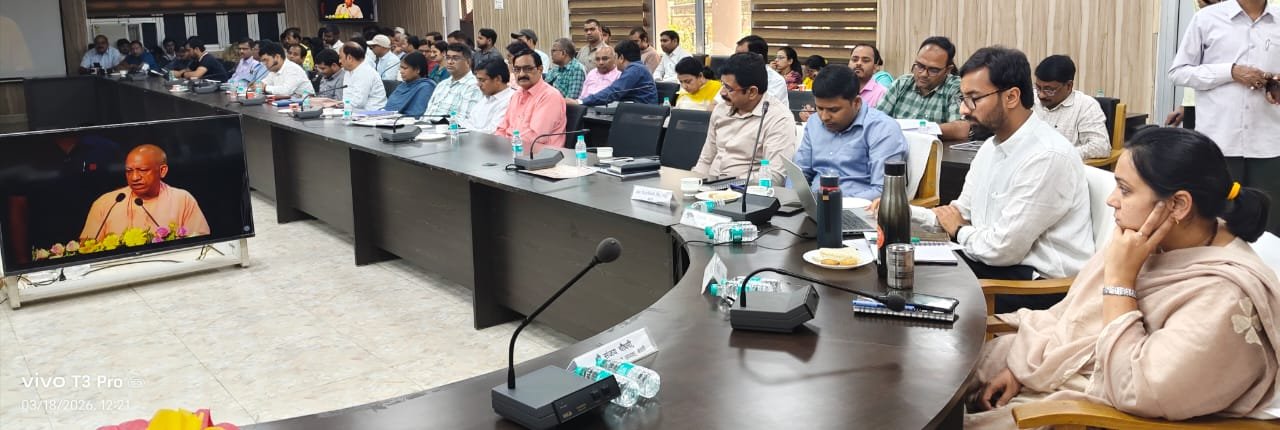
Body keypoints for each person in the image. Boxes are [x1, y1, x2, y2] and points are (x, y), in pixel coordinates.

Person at [965, 127, 1278, 429]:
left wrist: (1120, 281)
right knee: (956, 368)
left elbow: (1138, 388)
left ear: (1178, 205)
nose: (1111, 200)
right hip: (1066, 377)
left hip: (1092, 414)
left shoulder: (1223, 294)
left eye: (1125, 190)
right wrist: (1022, 369)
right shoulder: (1146, 241)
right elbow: (1073, 320)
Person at [907, 46, 1093, 313]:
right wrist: (904, 213)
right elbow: (959, 213)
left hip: (1038, 286)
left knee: (917, 287)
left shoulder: (1046, 156)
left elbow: (1001, 249)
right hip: (994, 263)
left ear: (1011, 97)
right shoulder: (991, 147)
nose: (963, 109)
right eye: (963, 98)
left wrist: (959, 230)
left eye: (974, 98)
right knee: (899, 263)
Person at [1170, 0, 1280, 234]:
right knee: (1216, 223)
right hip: (1219, 142)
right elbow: (1179, 72)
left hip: (1269, 144)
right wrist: (1230, 72)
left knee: (1268, 226)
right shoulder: (1207, 18)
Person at [794, 65, 908, 199]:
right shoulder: (814, 122)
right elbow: (799, 173)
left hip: (859, 207)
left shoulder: (882, 129)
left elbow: (884, 190)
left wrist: (834, 203)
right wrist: (792, 200)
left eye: (833, 110)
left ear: (857, 103)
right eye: (819, 108)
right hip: (815, 203)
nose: (824, 117)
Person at [691, 52, 797, 184]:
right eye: (722, 84)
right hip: (709, 187)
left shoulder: (779, 119)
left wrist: (727, 184)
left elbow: (774, 176)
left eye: (728, 88)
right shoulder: (721, 109)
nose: (722, 93)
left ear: (752, 92)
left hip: (746, 191)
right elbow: (705, 160)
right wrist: (695, 183)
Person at [79, 144, 210, 242]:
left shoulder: (182, 199)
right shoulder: (106, 203)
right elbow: (88, 247)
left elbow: (200, 243)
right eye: (129, 171)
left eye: (142, 170)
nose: (134, 177)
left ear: (162, 171)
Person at [876, 36, 969, 142]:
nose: (924, 74)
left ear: (948, 70)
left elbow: (962, 129)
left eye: (933, 70)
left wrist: (921, 130)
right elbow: (876, 120)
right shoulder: (901, 84)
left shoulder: (955, 87)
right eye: (920, 66)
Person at [1032, 55, 1111, 160]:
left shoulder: (1085, 106)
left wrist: (1059, 155)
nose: (1041, 95)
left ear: (1069, 86)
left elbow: (1100, 147)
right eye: (1038, 87)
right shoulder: (1030, 99)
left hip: (1064, 166)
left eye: (1049, 90)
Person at [495, 48, 567, 150]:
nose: (521, 74)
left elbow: (536, 137)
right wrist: (497, 145)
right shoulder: (516, 95)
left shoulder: (550, 96)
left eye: (527, 69)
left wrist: (505, 146)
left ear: (540, 69)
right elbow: (502, 128)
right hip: (512, 151)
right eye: (517, 69)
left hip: (539, 156)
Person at [570, 40, 658, 106]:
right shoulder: (638, 68)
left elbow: (613, 92)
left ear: (621, 58)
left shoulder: (634, 70)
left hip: (643, 116)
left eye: (615, 57)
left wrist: (581, 101)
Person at [424, 43, 483, 120]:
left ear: (468, 62)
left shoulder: (474, 86)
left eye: (455, 58)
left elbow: (464, 121)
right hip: (425, 125)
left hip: (448, 127)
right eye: (448, 58)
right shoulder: (442, 84)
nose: (450, 62)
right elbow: (427, 114)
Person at [460, 60, 516, 134]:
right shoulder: (486, 98)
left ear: (498, 79)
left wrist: (466, 129)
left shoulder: (511, 99)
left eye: (482, 80)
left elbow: (493, 131)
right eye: (478, 80)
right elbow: (469, 122)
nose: (478, 84)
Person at [735, 35, 790, 108]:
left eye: (741, 56)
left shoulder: (776, 81)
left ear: (758, 58)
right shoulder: (734, 76)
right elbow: (720, 103)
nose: (735, 60)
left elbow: (764, 108)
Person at [384, 52, 435, 117]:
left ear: (417, 70)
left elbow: (417, 114)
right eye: (400, 68)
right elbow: (388, 108)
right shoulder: (403, 85)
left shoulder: (426, 87)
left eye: (405, 68)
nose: (401, 71)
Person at [337, 42, 386, 110]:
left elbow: (358, 103)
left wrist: (338, 104)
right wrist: (336, 104)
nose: (339, 61)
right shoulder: (348, 71)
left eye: (340, 57)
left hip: (372, 113)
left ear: (349, 58)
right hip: (355, 112)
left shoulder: (366, 72)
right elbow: (347, 97)